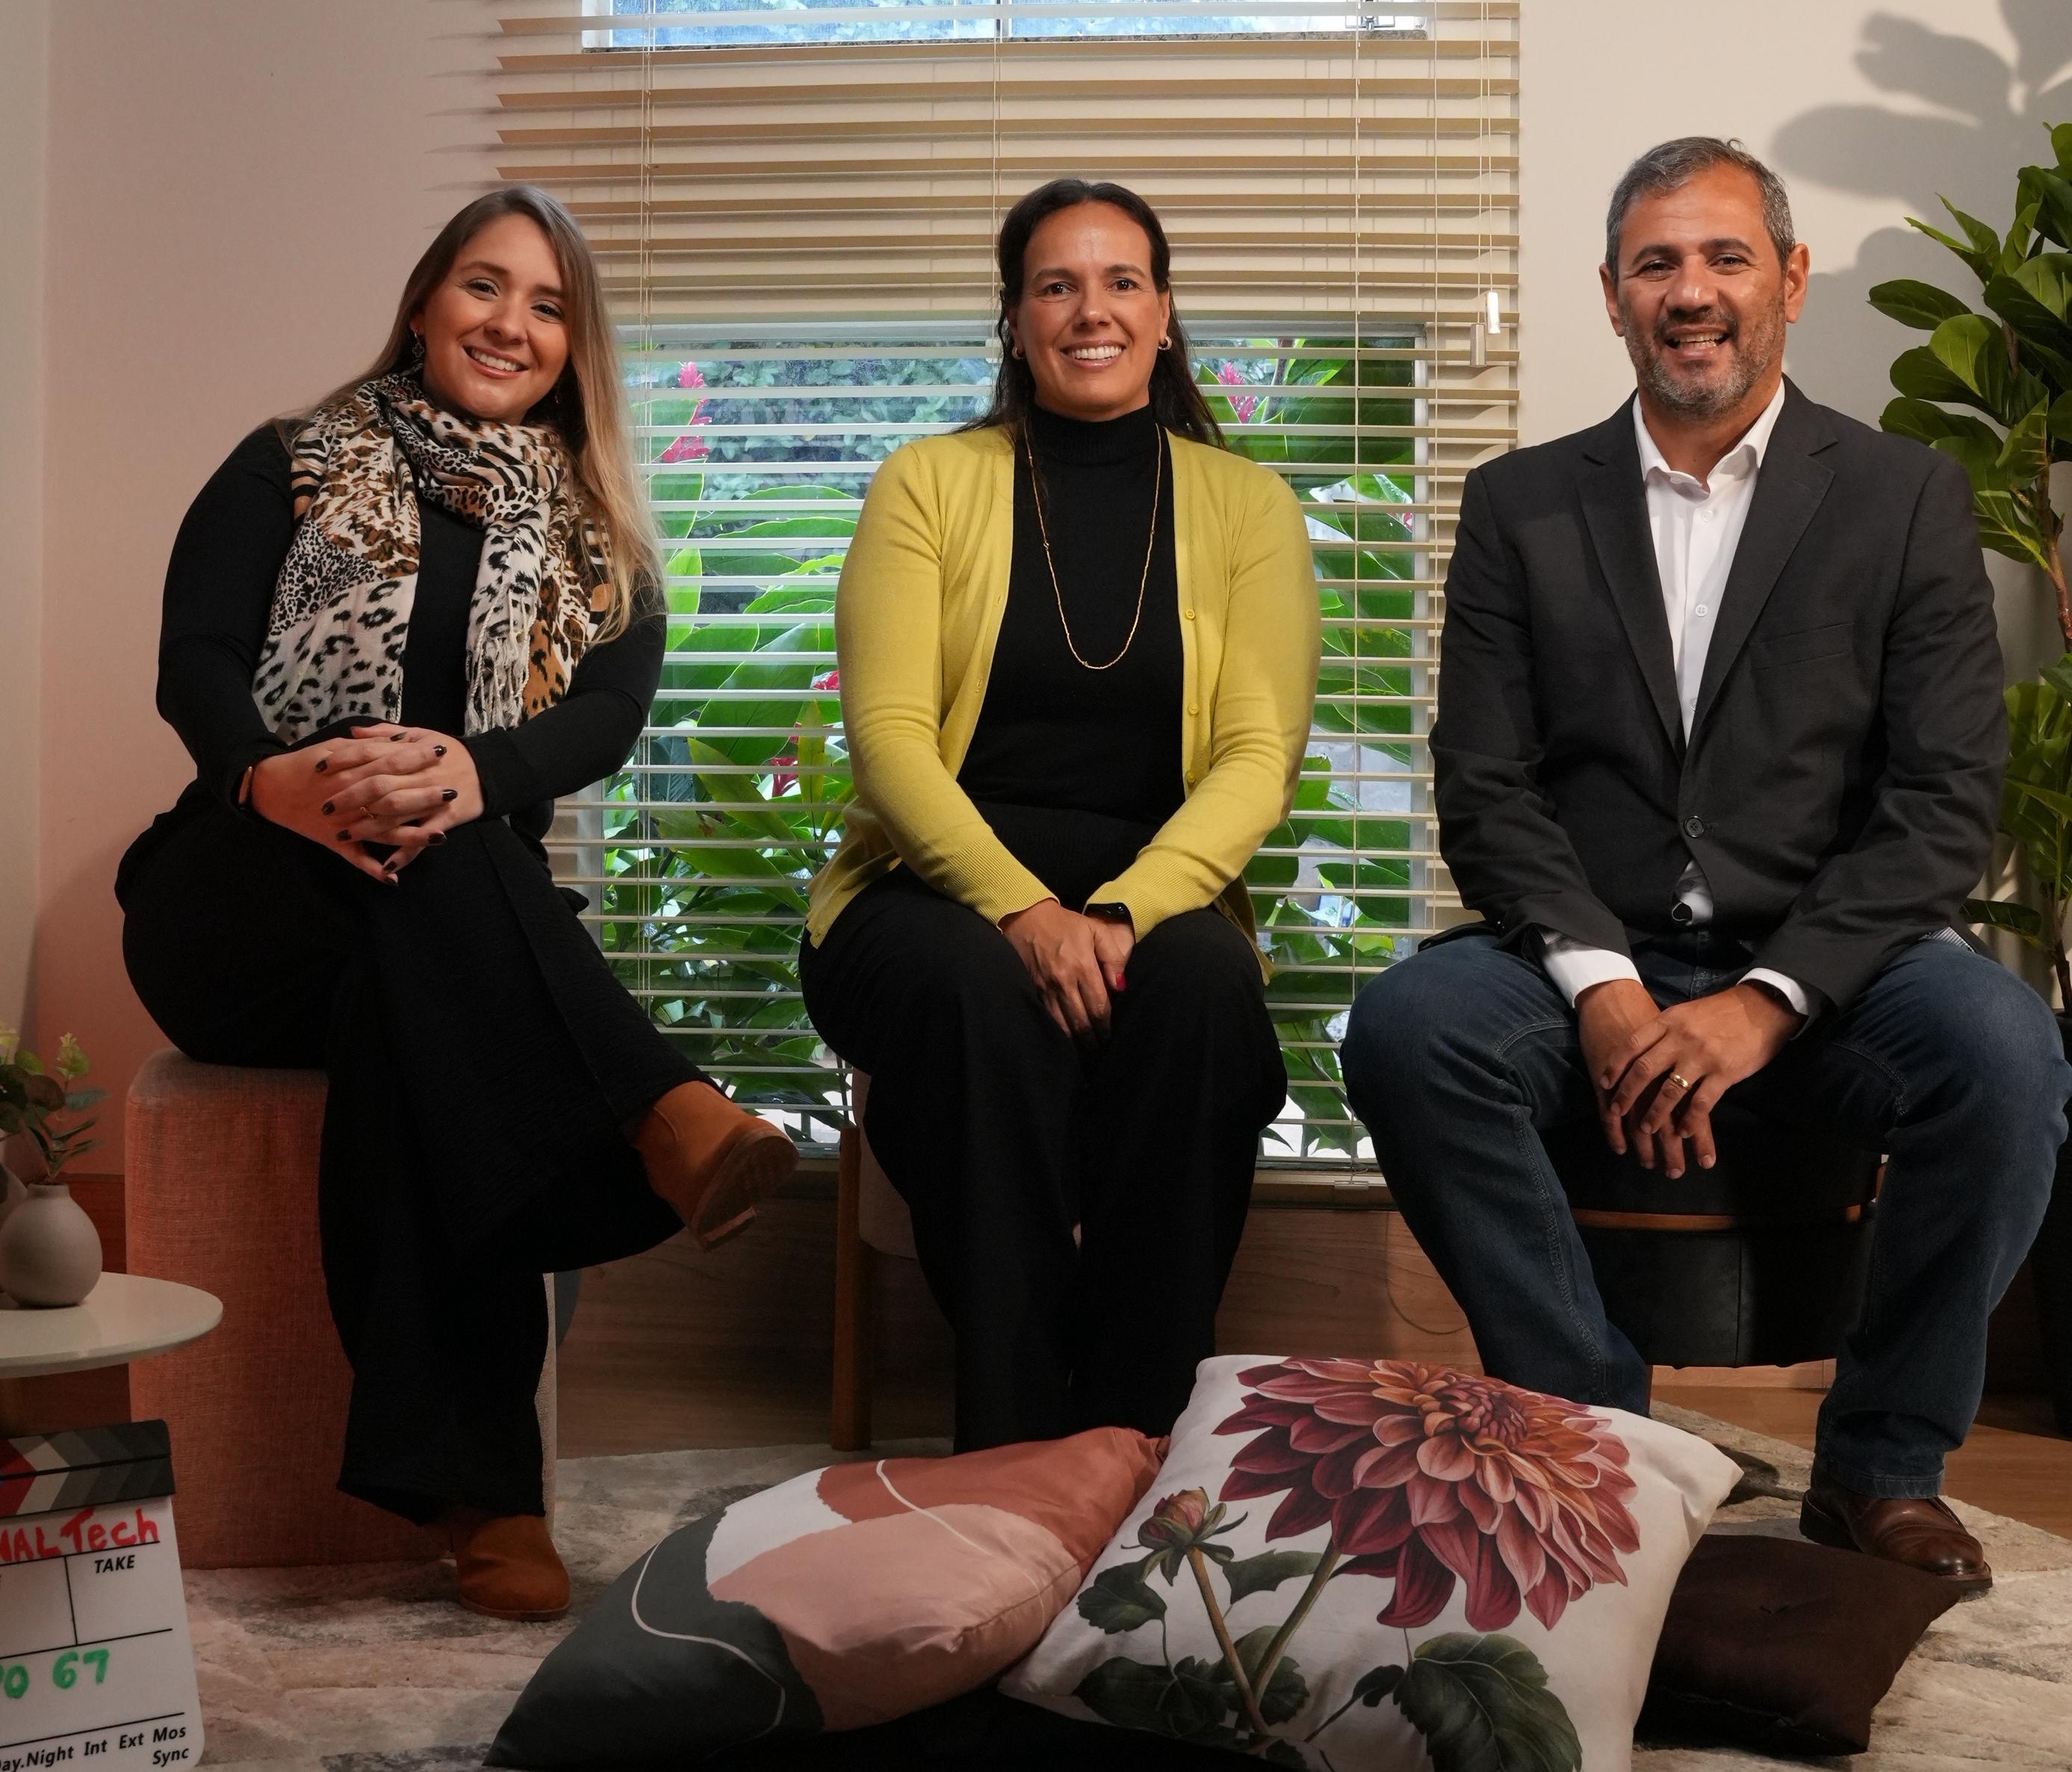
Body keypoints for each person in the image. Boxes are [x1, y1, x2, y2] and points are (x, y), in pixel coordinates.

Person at [1340, 137, 2071, 1592]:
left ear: (1787, 279)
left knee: (2005, 1052)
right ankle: (1601, 1439)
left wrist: (1769, 996)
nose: (1691, 290)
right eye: (1656, 262)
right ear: (1611, 293)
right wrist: (1601, 983)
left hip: (1831, 957)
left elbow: (1939, 800)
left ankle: (1880, 1465)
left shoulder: (1903, 496)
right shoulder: (1519, 504)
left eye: (1725, 256)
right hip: (1582, 946)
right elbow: (1486, 787)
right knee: (1407, 1031)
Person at [118, 186, 798, 1620]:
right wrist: (272, 780)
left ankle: (486, 1497)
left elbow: (607, 716)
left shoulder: (601, 528)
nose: (510, 323)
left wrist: (470, 770)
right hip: (241, 895)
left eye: (548, 306)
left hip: (427, 918)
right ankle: (662, 1111)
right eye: (485, 286)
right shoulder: (292, 460)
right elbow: (195, 658)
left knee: (435, 917)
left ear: (574, 345)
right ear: (426, 301)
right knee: (447, 859)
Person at [800, 179, 1319, 1452]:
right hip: (928, 896)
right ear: (1015, 318)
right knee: (977, 994)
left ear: (1164, 312)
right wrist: (1022, 910)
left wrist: (1126, 911)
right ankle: (1015, 1440)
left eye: (1121, 281)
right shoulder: (926, 482)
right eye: (1056, 285)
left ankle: (1133, 1431)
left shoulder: (1245, 505)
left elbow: (1257, 755)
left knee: (1202, 993)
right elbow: (889, 741)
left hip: (1154, 893)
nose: (1092, 310)